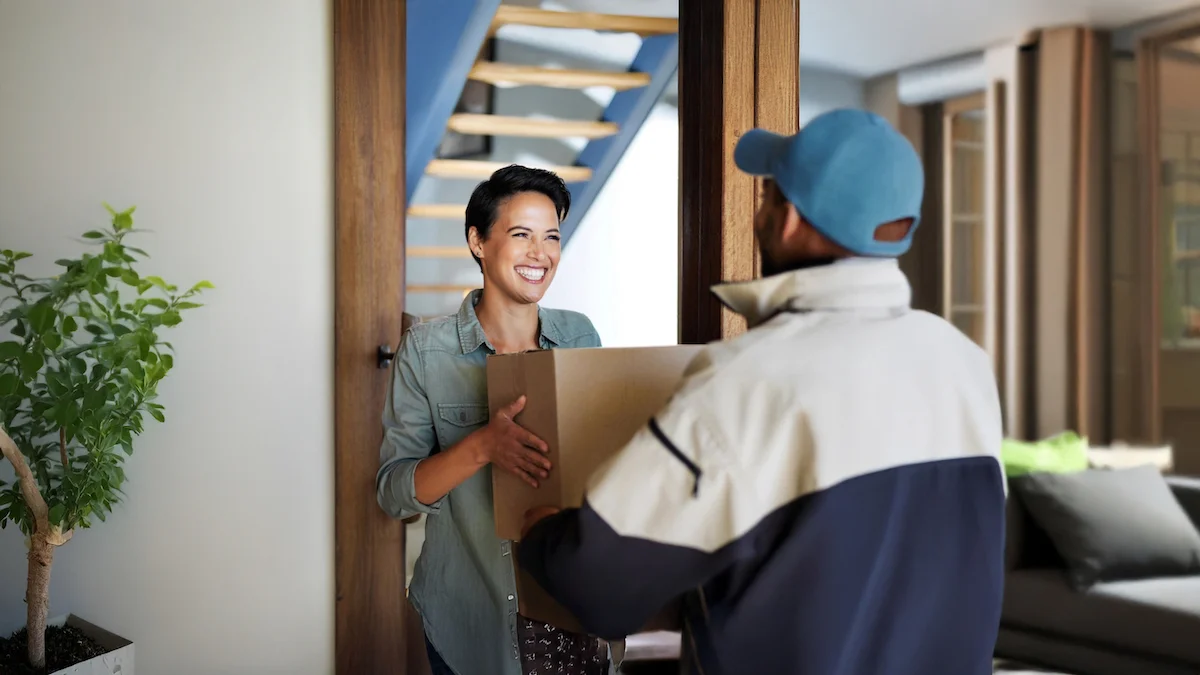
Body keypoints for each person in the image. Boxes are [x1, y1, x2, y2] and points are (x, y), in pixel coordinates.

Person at [518, 109, 1006, 675]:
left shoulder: (747, 379)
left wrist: (543, 536)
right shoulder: (964, 363)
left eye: (768, 195)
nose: (762, 211)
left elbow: (601, 588)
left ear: (790, 219)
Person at [376, 165, 609, 675]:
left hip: (573, 604)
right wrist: (482, 447)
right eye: (521, 235)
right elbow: (393, 493)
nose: (540, 254)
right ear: (478, 242)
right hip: (473, 618)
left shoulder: (579, 336)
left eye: (551, 237)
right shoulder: (426, 351)